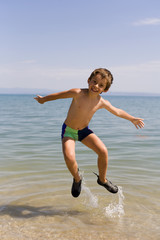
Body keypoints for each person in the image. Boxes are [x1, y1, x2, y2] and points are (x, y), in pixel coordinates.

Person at [34, 68, 144, 198]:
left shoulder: (101, 102)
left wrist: (132, 118)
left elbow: (117, 111)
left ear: (105, 89)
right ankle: (77, 178)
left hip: (84, 131)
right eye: (94, 81)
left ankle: (102, 180)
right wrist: (44, 99)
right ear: (88, 80)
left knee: (103, 151)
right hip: (69, 131)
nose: (96, 86)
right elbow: (59, 95)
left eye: (101, 85)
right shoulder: (78, 93)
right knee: (69, 157)